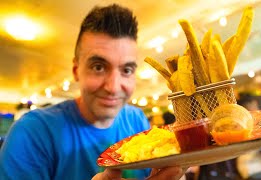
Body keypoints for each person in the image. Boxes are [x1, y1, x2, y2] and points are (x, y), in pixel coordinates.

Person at [0, 4, 184, 180]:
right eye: (98, 67)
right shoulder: (32, 132)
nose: (113, 87)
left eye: (126, 70)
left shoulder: (137, 120)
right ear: (75, 71)